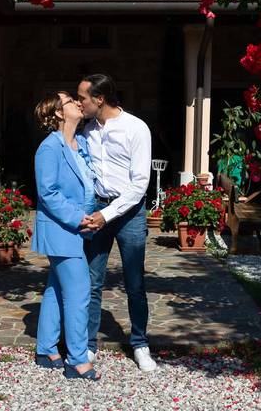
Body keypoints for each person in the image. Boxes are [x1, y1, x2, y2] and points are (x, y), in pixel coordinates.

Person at [77, 73, 157, 372]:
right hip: (97, 207)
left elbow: (140, 185)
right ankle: (87, 345)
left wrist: (106, 215)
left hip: (129, 212)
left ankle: (140, 344)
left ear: (99, 99)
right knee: (91, 281)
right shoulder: (87, 130)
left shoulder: (136, 129)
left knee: (134, 282)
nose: (79, 103)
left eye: (82, 98)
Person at [31, 91, 99, 380]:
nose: (77, 103)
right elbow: (47, 192)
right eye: (71, 101)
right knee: (79, 291)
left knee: (56, 289)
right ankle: (77, 360)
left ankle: (46, 349)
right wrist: (77, 218)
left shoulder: (79, 143)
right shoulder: (49, 148)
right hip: (62, 229)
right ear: (59, 113)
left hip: (80, 228)